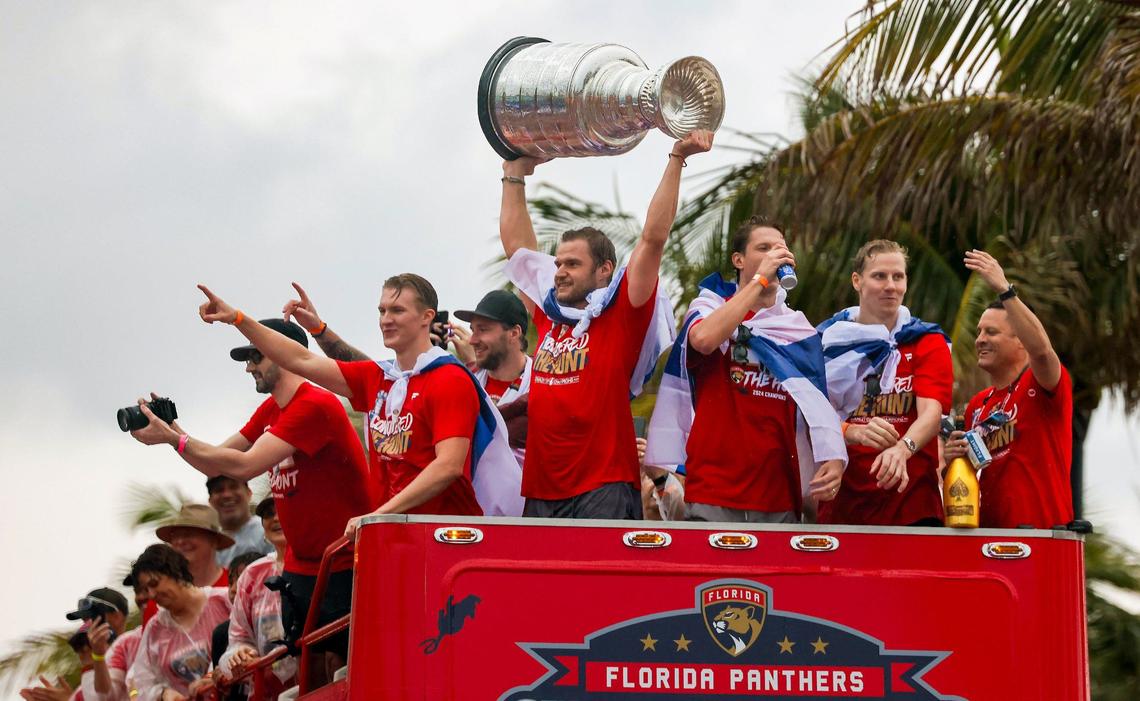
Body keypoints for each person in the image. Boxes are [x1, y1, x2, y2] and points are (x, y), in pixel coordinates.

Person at [128, 317, 375, 679]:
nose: (248, 367)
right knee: (311, 668)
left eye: (256, 356)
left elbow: (243, 466)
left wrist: (174, 440)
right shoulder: (273, 410)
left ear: (285, 353)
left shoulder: (314, 405)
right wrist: (174, 432)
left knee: (345, 668)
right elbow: (218, 463)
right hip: (302, 566)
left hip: (345, 562)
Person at [194, 275, 521, 531]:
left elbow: (448, 466)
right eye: (382, 311)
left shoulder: (449, 378)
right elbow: (301, 360)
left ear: (427, 317)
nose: (386, 319)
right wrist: (238, 319)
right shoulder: (381, 377)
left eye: (397, 310)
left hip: (440, 536)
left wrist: (379, 515)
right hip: (390, 534)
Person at [498, 130, 713, 518]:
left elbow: (653, 238)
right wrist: (514, 173)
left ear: (604, 270)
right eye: (559, 263)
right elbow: (520, 253)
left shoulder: (619, 317)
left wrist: (677, 158)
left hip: (603, 486)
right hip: (541, 486)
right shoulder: (550, 312)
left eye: (572, 264)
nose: (559, 272)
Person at [646, 217, 847, 522]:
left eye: (780, 249)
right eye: (763, 248)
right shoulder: (710, 306)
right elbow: (702, 339)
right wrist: (759, 281)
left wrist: (832, 457)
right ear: (738, 260)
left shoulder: (797, 329)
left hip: (779, 497)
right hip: (715, 491)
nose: (774, 255)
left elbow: (817, 409)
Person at [816, 240, 952, 526]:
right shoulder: (828, 342)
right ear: (857, 280)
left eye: (898, 276)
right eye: (879, 276)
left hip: (912, 505)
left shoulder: (927, 341)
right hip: (844, 504)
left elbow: (931, 414)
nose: (890, 286)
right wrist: (852, 432)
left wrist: (903, 449)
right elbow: (813, 417)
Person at [945, 250, 1073, 528]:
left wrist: (1004, 289)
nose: (979, 340)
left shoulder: (1042, 384)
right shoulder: (978, 405)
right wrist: (950, 459)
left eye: (991, 332)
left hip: (1041, 538)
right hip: (988, 539)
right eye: (979, 331)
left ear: (1021, 341)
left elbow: (1041, 351)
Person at [125, 544, 231, 701]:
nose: (151, 594)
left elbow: (248, 640)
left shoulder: (223, 601)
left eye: (154, 584)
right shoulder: (155, 629)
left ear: (176, 572)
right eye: (146, 589)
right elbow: (142, 682)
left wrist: (216, 674)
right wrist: (163, 693)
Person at [217, 498, 297, 697]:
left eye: (283, 510)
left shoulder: (318, 559)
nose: (275, 518)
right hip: (269, 693)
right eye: (268, 514)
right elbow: (238, 638)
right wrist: (240, 655)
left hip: (319, 684)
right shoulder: (252, 575)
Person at [452, 290, 532, 463]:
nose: (472, 340)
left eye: (483, 329)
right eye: (473, 330)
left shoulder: (542, 382)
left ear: (514, 333)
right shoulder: (465, 381)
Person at [65, 588, 130, 701]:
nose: (88, 624)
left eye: (93, 617)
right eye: (84, 619)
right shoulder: (94, 659)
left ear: (117, 617)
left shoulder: (136, 648)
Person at [155, 504, 233, 588]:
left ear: (214, 541)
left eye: (189, 534)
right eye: (175, 535)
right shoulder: (160, 590)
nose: (180, 541)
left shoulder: (237, 585)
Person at [206, 475, 272, 568]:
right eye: (219, 490)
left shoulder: (268, 531)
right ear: (210, 501)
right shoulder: (209, 547)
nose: (227, 495)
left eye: (234, 487)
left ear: (249, 493)